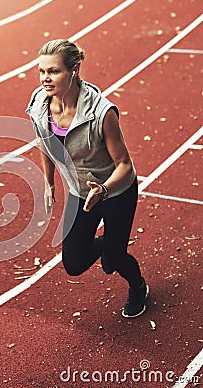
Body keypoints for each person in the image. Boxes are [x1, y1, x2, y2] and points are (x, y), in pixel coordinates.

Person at [25, 39, 148, 318]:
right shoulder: (38, 105)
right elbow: (44, 144)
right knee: (74, 262)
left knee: (115, 260)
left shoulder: (102, 113)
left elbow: (125, 165)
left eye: (54, 71)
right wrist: (49, 182)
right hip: (79, 192)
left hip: (115, 191)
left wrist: (103, 189)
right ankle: (111, 243)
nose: (45, 78)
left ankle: (138, 286)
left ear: (75, 70)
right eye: (41, 71)